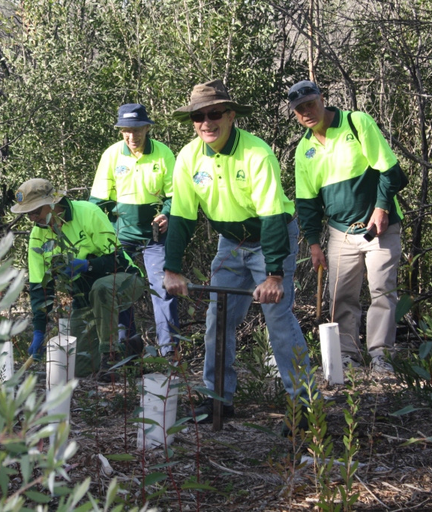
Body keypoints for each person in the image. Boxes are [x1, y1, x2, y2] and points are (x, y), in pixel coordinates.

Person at [163, 80, 313, 423]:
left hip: (269, 238)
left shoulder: (256, 153)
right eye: (198, 117)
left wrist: (274, 273)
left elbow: (273, 216)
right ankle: (218, 399)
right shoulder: (188, 158)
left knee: (277, 317)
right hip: (231, 243)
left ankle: (305, 406)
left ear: (231, 115)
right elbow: (182, 217)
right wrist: (172, 268)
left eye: (214, 113)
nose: (206, 123)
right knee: (219, 318)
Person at [289, 80, 407, 375]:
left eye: (310, 104)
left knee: (381, 290)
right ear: (294, 114)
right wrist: (314, 244)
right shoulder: (304, 149)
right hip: (340, 231)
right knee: (340, 295)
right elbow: (307, 203)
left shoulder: (357, 123)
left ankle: (381, 356)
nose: (307, 112)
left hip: (379, 225)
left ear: (322, 99)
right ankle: (346, 357)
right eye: (300, 109)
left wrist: (381, 209)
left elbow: (390, 171)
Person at [11, 178, 145, 378]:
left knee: (101, 288)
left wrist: (88, 265)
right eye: (27, 214)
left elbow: (117, 260)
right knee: (78, 369)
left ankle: (110, 356)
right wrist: (39, 330)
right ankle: (128, 349)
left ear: (52, 203)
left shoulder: (88, 213)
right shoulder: (37, 237)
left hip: (124, 280)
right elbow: (40, 288)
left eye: (35, 212)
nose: (32, 218)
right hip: (85, 300)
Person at [89, 103, 179, 358]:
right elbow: (98, 201)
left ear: (147, 128)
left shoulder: (163, 154)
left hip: (154, 236)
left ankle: (168, 351)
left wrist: (168, 213)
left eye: (137, 129)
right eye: (126, 130)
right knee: (118, 285)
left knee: (162, 288)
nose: (132, 136)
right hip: (122, 234)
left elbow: (174, 195)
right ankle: (127, 347)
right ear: (120, 131)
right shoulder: (111, 155)